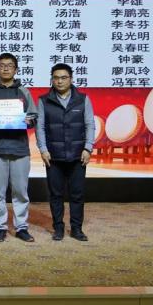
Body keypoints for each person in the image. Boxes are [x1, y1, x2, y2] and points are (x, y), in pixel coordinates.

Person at [0, 53, 38, 242]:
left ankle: (21, 227)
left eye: (10, 65)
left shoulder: (24, 92)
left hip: (20, 149)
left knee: (20, 191)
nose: (5, 68)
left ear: (16, 69)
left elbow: (34, 116)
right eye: (2, 65)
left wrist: (29, 120)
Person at [36, 63, 94, 242]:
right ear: (51, 80)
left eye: (63, 77)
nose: (59, 81)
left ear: (71, 79)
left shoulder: (83, 99)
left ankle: (77, 229)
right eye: (56, 78)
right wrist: (43, 149)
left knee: (77, 194)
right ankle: (58, 228)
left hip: (78, 155)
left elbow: (90, 125)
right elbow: (40, 127)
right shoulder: (44, 100)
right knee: (56, 195)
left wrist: (88, 147)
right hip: (53, 156)